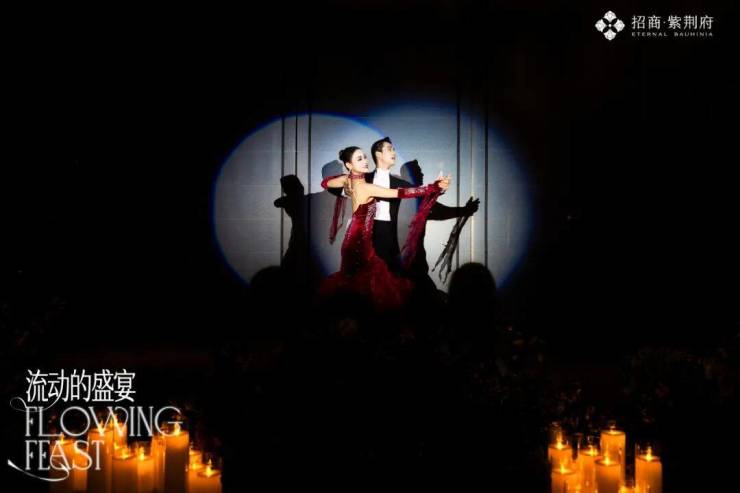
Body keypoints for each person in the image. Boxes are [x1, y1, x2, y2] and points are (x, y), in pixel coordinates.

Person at [319, 146, 451, 310]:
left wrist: (345, 184)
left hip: (356, 238)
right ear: (349, 165)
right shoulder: (365, 187)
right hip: (358, 241)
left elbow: (325, 182)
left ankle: (356, 316)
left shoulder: (348, 180)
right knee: (362, 283)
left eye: (365, 157)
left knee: (361, 282)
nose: (365, 161)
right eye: (359, 159)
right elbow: (401, 193)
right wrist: (433, 187)